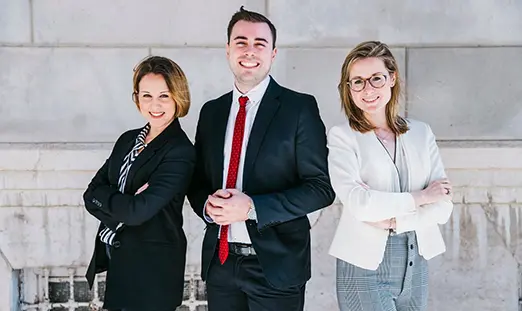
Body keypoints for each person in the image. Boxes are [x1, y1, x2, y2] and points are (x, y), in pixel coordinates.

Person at [187, 6, 335, 311]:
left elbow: (320, 189)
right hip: (221, 264)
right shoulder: (211, 112)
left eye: (260, 44)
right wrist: (207, 206)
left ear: (273, 53)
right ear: (228, 50)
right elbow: (197, 179)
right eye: (240, 42)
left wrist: (252, 207)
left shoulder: (299, 109)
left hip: (276, 268)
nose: (249, 51)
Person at [327, 41, 454, 311]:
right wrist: (421, 197)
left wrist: (395, 220)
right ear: (348, 88)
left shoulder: (421, 133)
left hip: (416, 260)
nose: (368, 89)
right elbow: (360, 203)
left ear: (392, 78)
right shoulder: (343, 137)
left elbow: (443, 205)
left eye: (376, 78)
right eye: (357, 82)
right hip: (364, 265)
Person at [83, 56, 195, 311]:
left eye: (164, 96)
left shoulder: (180, 151)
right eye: (146, 96)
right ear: (137, 98)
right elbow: (90, 194)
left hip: (152, 271)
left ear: (178, 96)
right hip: (117, 255)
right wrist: (125, 203)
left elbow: (138, 212)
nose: (155, 105)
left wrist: (114, 200)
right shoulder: (127, 140)